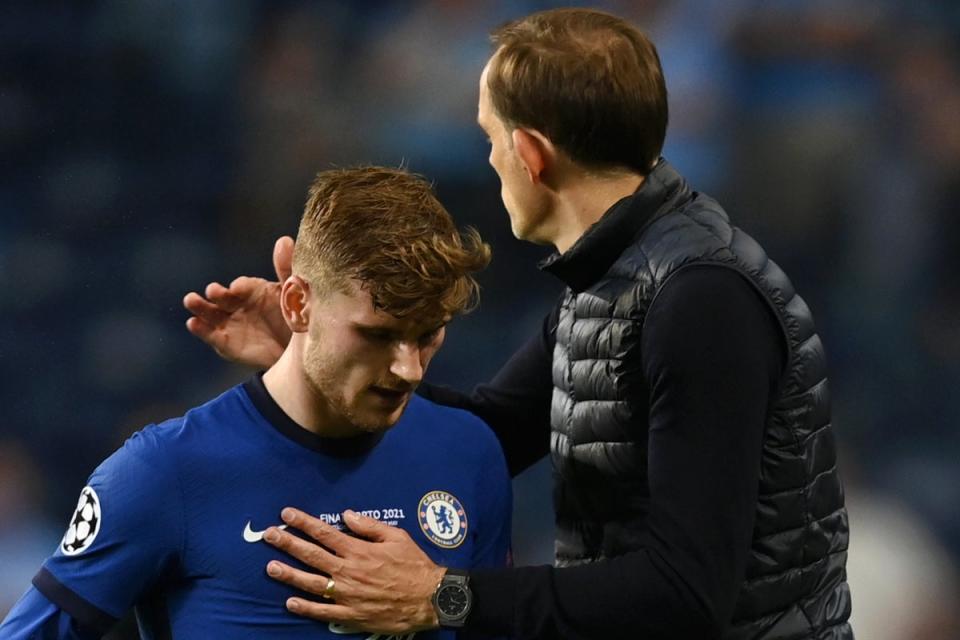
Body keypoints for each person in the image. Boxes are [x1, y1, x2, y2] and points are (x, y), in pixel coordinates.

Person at [184, 8, 852, 640]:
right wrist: (313, 356)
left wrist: (445, 595)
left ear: (530, 152)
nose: (489, 161)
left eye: (488, 138)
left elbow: (688, 591)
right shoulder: (612, 277)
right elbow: (482, 436)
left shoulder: (701, 298)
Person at [0, 166, 512, 639]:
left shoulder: (469, 452)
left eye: (428, 334)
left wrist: (442, 597)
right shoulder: (163, 472)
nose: (409, 368)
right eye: (377, 335)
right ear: (296, 304)